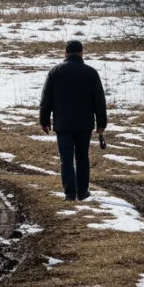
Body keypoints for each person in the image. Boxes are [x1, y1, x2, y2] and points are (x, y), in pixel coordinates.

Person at [39, 40, 107, 201]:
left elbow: (46, 98)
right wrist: (101, 123)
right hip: (84, 123)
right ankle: (82, 191)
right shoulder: (90, 73)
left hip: (63, 123)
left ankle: (70, 192)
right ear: (81, 53)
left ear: (65, 53)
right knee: (82, 156)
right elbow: (99, 100)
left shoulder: (55, 72)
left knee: (66, 158)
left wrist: (44, 120)